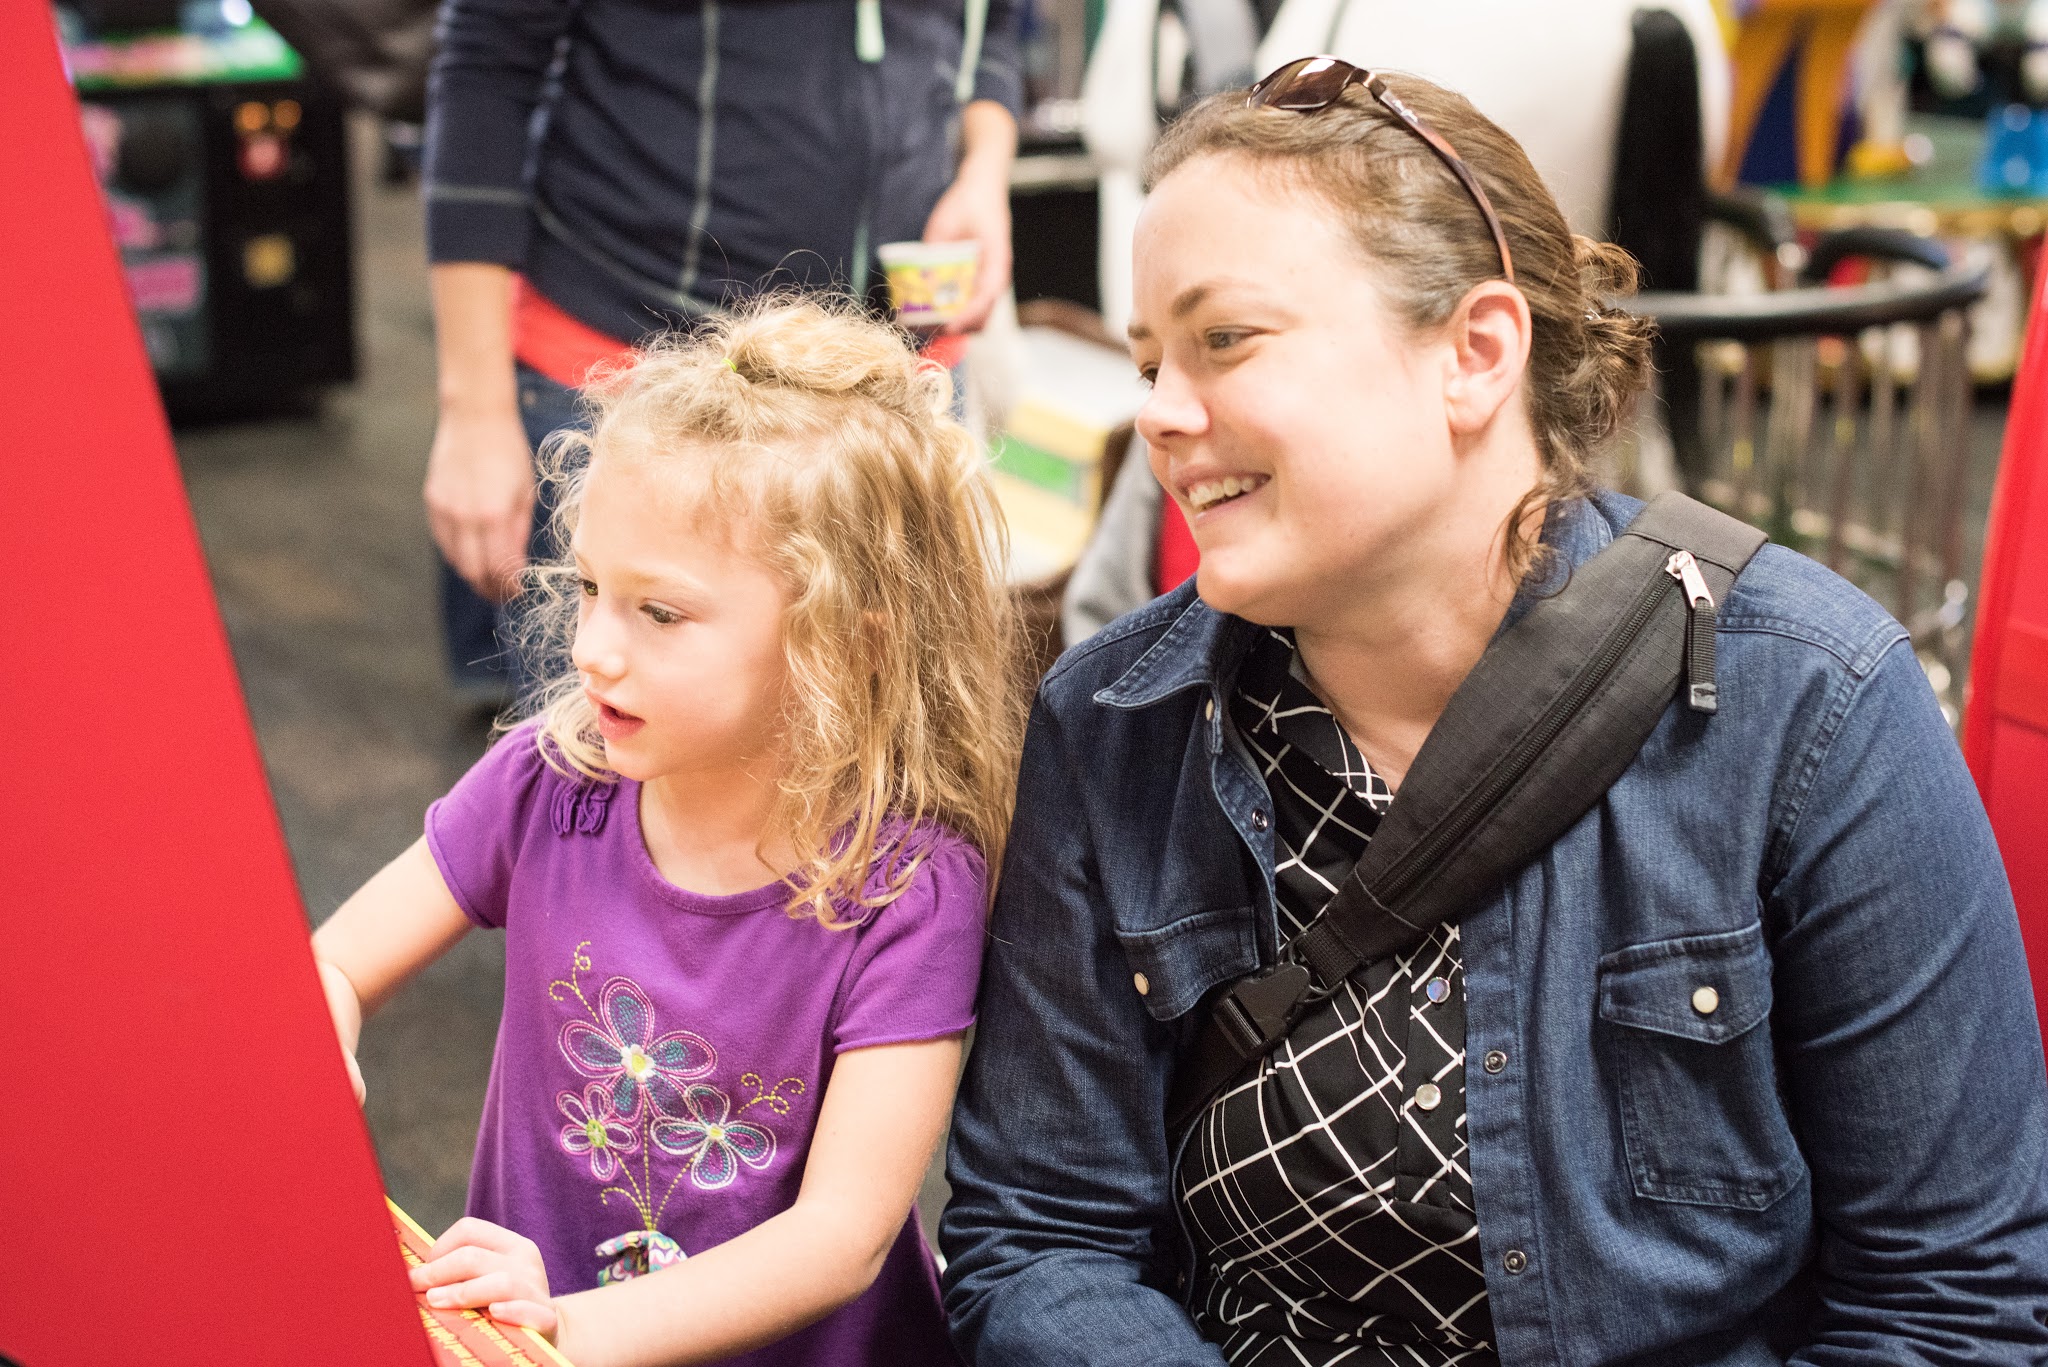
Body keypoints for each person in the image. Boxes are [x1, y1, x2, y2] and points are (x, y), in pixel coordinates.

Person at [939, 58, 2048, 1365]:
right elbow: (1043, 1237)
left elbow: (1951, 1298)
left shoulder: (1803, 699)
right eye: (1147, 362)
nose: (1161, 416)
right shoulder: (1115, 721)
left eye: (1223, 339)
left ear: (1473, 354)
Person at [313, 297, 1022, 1367]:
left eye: (659, 612)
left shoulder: (906, 885)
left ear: (844, 641)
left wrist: (571, 1327)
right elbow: (332, 963)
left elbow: (841, 1236)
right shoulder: (549, 781)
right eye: (591, 587)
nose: (592, 648)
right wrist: (313, 1055)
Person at [420, 0, 1023, 701]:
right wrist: (474, 407)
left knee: (889, 735)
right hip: (638, 380)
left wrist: (985, 167)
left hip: (898, 382)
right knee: (602, 753)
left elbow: (995, 23)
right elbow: (489, 57)